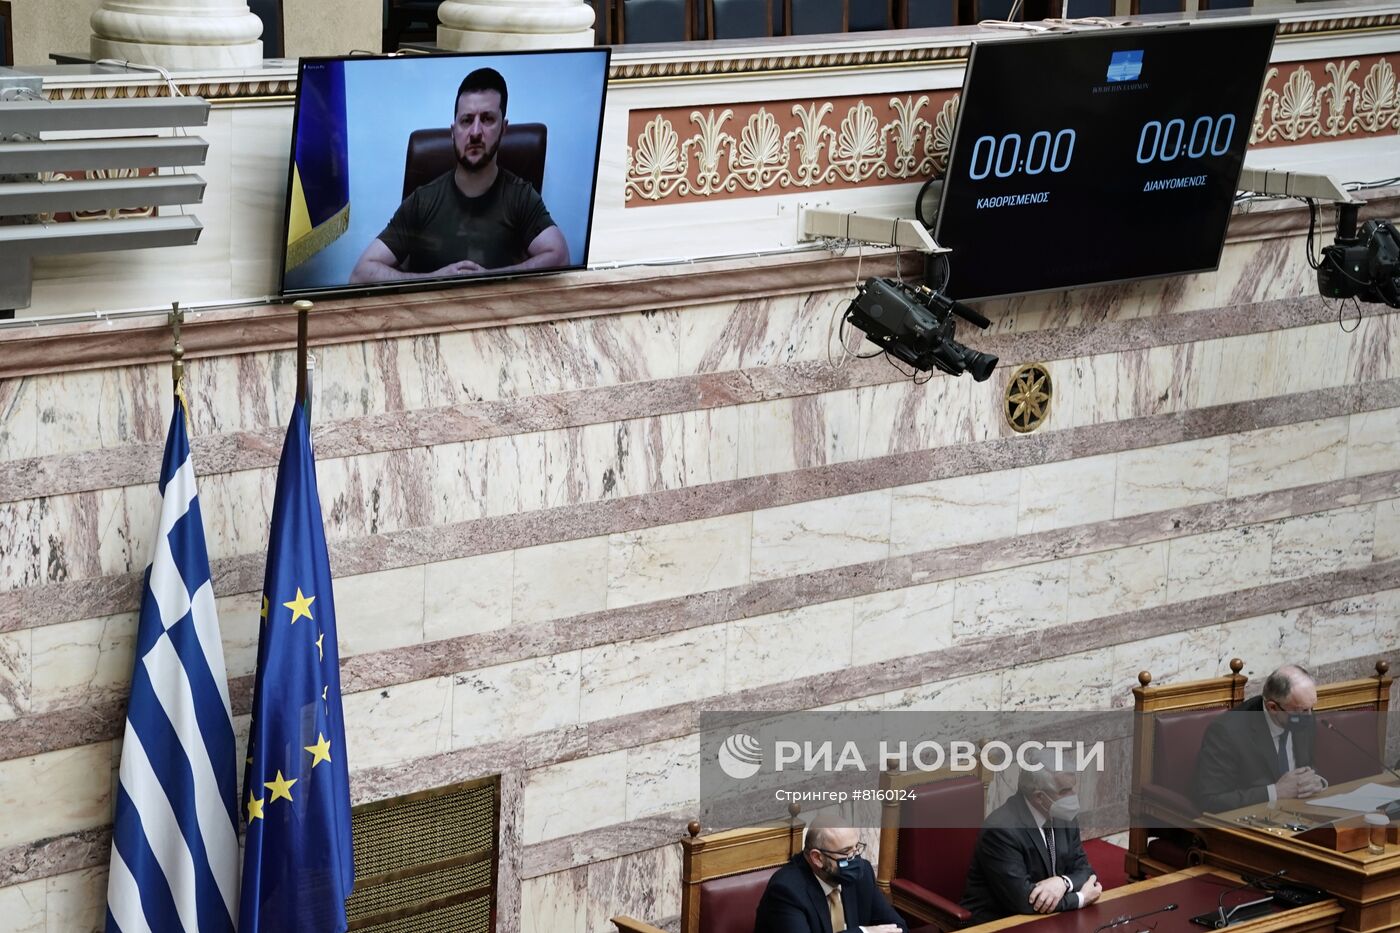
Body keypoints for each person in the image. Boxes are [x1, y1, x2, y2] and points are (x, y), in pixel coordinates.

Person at [349, 67, 569, 284]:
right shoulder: (422, 201)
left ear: (503, 128)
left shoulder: (520, 196)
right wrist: (434, 279)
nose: (475, 132)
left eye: (487, 119)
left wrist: (489, 278)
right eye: (466, 120)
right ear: (453, 132)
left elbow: (560, 258)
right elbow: (360, 275)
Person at [960, 751, 1102, 925]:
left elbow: (1085, 871)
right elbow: (1023, 900)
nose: (1073, 796)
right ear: (1039, 797)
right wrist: (1080, 898)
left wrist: (1063, 882)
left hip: (1048, 918)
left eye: (1073, 787)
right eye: (1065, 791)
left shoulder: (1064, 816)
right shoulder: (1002, 830)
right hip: (1001, 922)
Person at [1192, 664, 1325, 813]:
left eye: (1311, 708)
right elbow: (1211, 800)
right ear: (1273, 708)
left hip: (1300, 813)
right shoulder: (1227, 732)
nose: (1309, 716)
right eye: (1302, 711)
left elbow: (1309, 768)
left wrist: (1316, 782)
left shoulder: (1302, 716)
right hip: (1251, 822)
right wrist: (1275, 792)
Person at [754, 817, 904, 933]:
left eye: (856, 848)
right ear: (817, 858)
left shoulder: (862, 874)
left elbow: (897, 927)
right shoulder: (786, 891)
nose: (855, 859)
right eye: (846, 853)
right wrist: (863, 931)